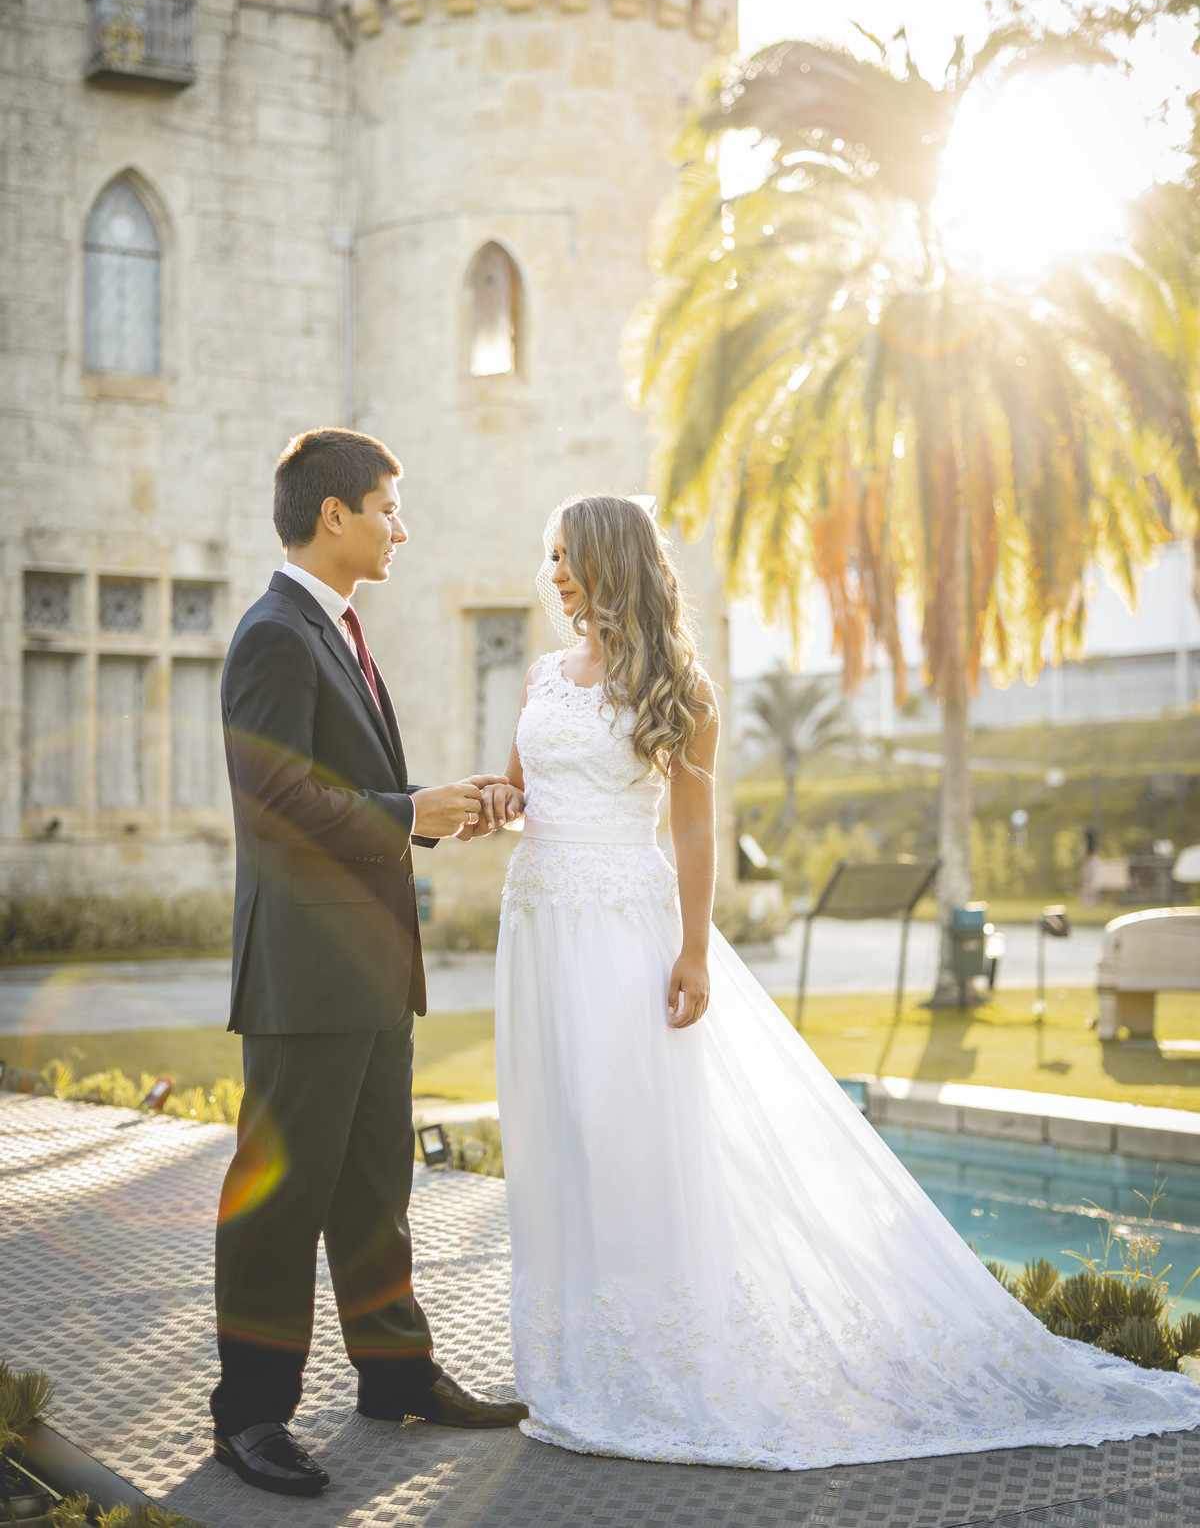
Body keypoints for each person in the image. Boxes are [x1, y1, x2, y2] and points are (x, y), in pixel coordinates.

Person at [491, 493, 1200, 1469]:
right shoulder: (538, 675)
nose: (556, 571)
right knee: (555, 1128)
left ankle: (657, 1353)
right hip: (536, 924)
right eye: (551, 553)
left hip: (624, 928)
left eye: (568, 554)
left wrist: (695, 949)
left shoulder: (679, 686)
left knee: (625, 1130)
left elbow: (695, 830)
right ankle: (576, 1356)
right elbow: (522, 795)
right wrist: (484, 803)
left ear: (612, 561)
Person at [211, 428, 527, 1500]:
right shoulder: (275, 632)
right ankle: (248, 1416)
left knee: (373, 1185)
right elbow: (273, 801)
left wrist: (432, 810)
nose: (404, 523)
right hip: (304, 975)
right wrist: (407, 811)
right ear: (335, 513)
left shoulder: (338, 629)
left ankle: (394, 1373)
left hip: (369, 967)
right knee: (278, 1197)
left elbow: (341, 790)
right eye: (391, 505)